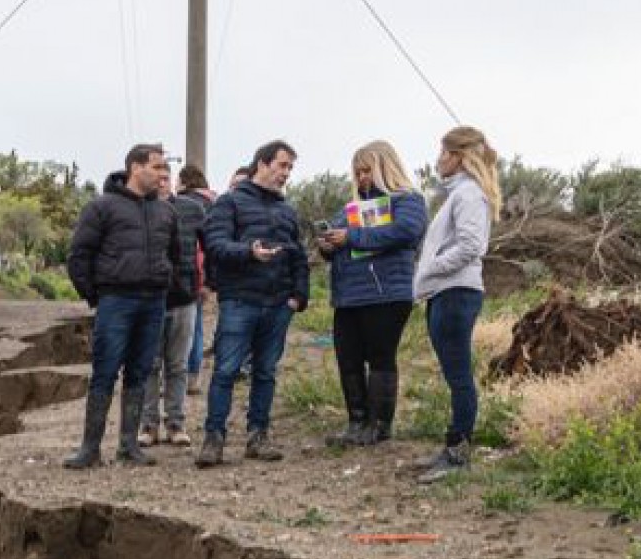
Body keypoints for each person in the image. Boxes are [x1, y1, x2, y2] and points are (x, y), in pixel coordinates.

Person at [63, 143, 190, 469]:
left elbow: (176, 259)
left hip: (153, 303)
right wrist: (97, 295)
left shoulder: (166, 212)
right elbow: (79, 256)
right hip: (116, 302)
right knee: (104, 371)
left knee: (141, 371)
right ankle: (90, 449)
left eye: (165, 169)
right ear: (136, 167)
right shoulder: (102, 207)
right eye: (158, 167)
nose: (164, 174)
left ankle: (128, 445)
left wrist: (169, 287)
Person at [197, 140, 309, 467]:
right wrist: (249, 252)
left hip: (278, 304)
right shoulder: (229, 203)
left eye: (290, 168)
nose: (286, 173)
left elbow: (298, 256)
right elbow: (215, 245)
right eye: (282, 165)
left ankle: (258, 437)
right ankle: (213, 439)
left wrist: (298, 297)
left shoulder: (288, 210)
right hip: (240, 301)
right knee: (226, 371)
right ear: (262, 163)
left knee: (265, 372)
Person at [316, 141, 428, 446]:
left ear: (384, 167)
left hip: (387, 293)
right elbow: (340, 244)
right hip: (349, 295)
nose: (362, 177)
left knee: (380, 358)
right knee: (347, 358)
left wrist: (350, 237)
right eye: (357, 172)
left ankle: (379, 425)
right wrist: (327, 245)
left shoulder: (408, 200)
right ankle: (356, 423)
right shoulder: (350, 209)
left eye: (367, 170)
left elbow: (406, 232)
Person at [412, 125, 501, 482]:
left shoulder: (468, 195)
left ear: (458, 156)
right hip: (446, 292)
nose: (437, 160)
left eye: (443, 153)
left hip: (455, 293)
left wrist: (431, 268)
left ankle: (457, 453)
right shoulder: (461, 193)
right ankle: (453, 449)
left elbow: (471, 246)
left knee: (459, 376)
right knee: (456, 375)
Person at [140, 168, 206, 448]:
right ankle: (148, 425)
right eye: (158, 176)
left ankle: (176, 424)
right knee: (149, 366)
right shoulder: (138, 210)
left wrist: (207, 281)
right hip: (148, 300)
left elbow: (209, 245)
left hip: (184, 299)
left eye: (167, 177)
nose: (163, 182)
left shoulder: (192, 209)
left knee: (177, 365)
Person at [177, 165, 217, 398]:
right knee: (197, 325)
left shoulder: (184, 204)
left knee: (177, 331)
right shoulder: (214, 202)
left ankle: (178, 377)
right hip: (202, 274)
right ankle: (194, 377)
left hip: (187, 271)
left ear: (184, 181)